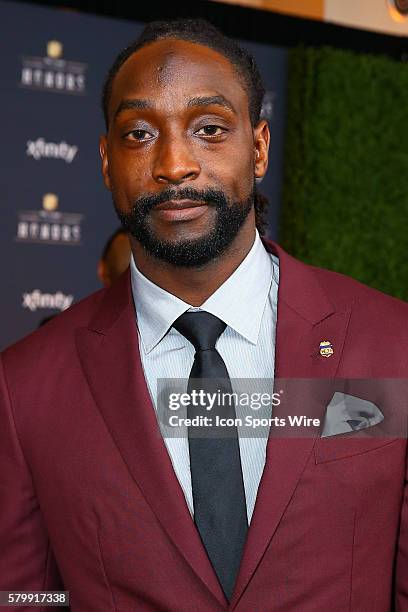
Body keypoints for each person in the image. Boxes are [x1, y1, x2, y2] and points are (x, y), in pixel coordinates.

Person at [1, 18, 408, 612]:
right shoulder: (25, 387)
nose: (174, 163)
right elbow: (21, 596)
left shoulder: (392, 345)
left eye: (210, 129)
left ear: (260, 146)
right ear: (107, 161)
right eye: (139, 134)